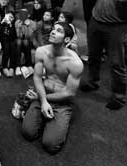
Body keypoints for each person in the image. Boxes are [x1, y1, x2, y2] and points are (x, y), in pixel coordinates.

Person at [21, 22, 83, 154]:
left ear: (66, 39)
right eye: (53, 29)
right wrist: (42, 101)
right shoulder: (41, 51)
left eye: (59, 31)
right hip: (44, 93)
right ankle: (42, 114)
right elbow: (37, 77)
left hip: (63, 102)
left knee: (50, 145)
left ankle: (56, 121)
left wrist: (39, 98)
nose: (53, 32)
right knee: (28, 133)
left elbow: (70, 93)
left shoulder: (75, 63)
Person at [0, 11, 19, 77]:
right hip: (3, 41)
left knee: (12, 45)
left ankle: (12, 67)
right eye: (8, 16)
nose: (9, 18)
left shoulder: (13, 25)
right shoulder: (2, 24)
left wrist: (10, 25)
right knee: (7, 46)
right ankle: (4, 67)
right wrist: (1, 23)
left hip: (11, 40)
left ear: (14, 19)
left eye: (11, 17)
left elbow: (14, 36)